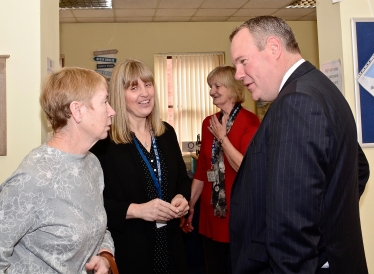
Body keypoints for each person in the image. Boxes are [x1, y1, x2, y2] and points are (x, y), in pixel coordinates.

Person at [229, 16, 370, 273]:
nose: (238, 74)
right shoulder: (321, 88)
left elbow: (291, 231)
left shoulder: (297, 103)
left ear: (273, 48)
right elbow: (359, 169)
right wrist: (328, 234)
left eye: (242, 61)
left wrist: (318, 245)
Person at [0, 67, 116, 273]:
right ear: (77, 110)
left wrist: (104, 256)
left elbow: (99, 227)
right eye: (105, 102)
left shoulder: (92, 164)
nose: (112, 111)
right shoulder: (33, 178)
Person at [90, 59, 191, 273]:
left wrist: (181, 198)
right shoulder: (104, 143)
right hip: (130, 250)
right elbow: (93, 203)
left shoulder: (166, 133)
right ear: (120, 94)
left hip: (172, 247)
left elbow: (182, 179)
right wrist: (137, 210)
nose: (145, 93)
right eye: (134, 88)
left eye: (148, 84)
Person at [181, 65, 260, 273]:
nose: (211, 91)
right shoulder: (208, 122)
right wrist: (190, 206)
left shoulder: (249, 121)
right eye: (210, 86)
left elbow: (245, 167)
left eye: (217, 86)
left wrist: (222, 138)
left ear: (232, 88)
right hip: (210, 215)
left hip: (237, 215)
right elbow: (202, 171)